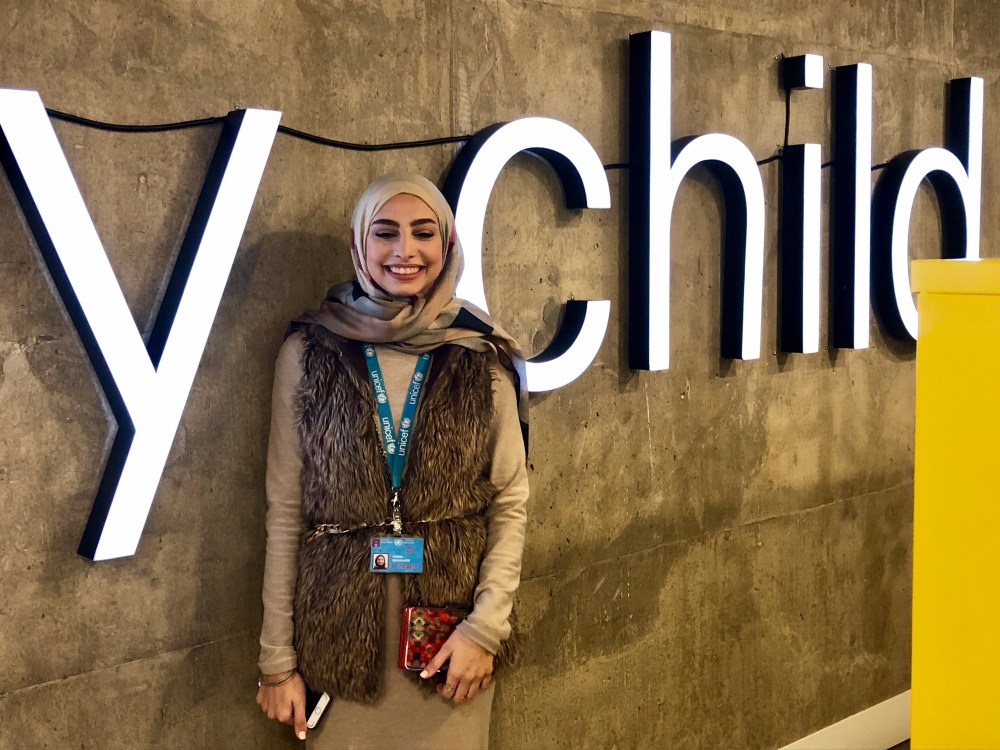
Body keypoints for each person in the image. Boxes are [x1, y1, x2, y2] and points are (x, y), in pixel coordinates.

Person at [255, 173, 529, 750]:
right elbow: (284, 512)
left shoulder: (479, 355)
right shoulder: (310, 351)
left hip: (450, 646)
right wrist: (276, 662)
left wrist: (485, 630)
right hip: (336, 644)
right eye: (385, 232)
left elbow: (510, 503)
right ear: (360, 243)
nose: (405, 250)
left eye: (423, 233)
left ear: (446, 243)